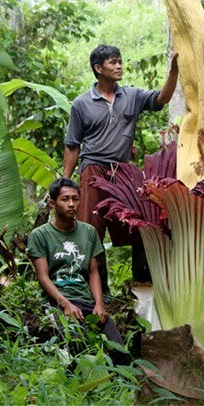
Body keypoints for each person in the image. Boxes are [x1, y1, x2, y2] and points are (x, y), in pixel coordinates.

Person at [62, 44, 178, 284]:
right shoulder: (81, 104)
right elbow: (72, 145)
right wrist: (65, 182)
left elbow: (161, 99)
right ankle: (97, 294)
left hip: (123, 173)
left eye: (120, 61)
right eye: (113, 62)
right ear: (98, 68)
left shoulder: (132, 96)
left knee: (139, 227)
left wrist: (174, 72)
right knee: (90, 233)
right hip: (93, 170)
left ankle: (142, 287)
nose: (119, 66)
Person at [27, 178, 126, 357]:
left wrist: (99, 304)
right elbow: (43, 276)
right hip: (56, 302)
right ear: (52, 203)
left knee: (120, 353)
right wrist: (65, 304)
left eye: (75, 199)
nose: (71, 204)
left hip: (86, 300)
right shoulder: (40, 235)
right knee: (78, 347)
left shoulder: (88, 232)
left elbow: (93, 271)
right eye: (65, 199)